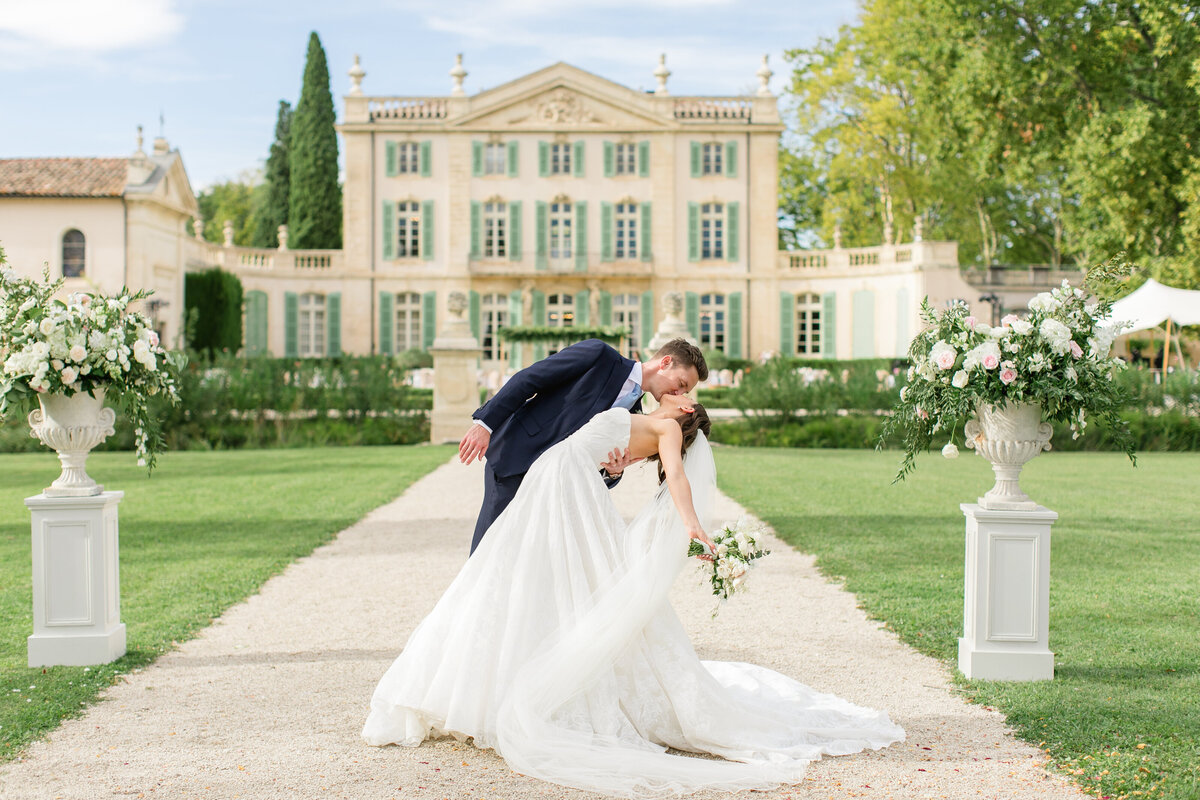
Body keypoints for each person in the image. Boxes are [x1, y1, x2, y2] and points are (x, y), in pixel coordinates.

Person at [363, 398, 904, 797]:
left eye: (687, 393)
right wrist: (615, 465)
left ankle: (525, 678)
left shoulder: (667, 427)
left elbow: (674, 475)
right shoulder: (645, 418)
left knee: (556, 576)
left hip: (563, 479)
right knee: (538, 574)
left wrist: (690, 524)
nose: (680, 393)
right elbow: (614, 450)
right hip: (560, 475)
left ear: (686, 413)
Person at [459, 337, 707, 554]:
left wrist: (614, 472)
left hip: (554, 488)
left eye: (684, 390)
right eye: (682, 383)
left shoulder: (638, 416)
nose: (678, 391)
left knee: (527, 558)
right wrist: (486, 424)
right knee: (487, 550)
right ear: (665, 362)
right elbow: (530, 378)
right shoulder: (599, 355)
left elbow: (601, 472)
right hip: (518, 456)